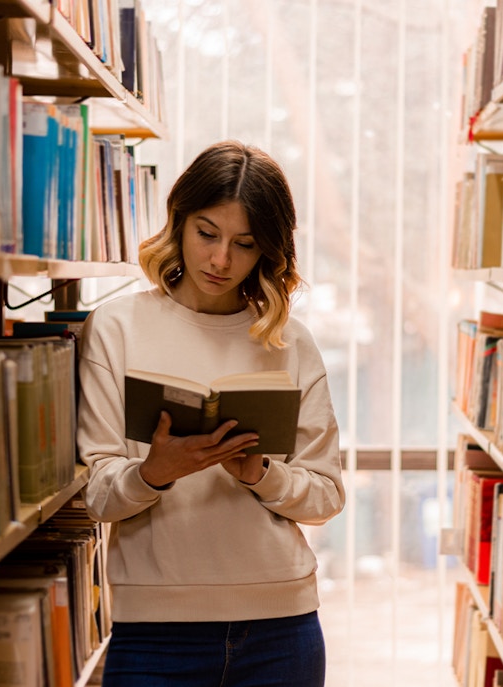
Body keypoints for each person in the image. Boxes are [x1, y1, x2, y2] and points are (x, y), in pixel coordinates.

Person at [76, 140, 346, 686]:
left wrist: (260, 474)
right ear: (178, 221)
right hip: (154, 631)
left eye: (244, 244)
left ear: (269, 251)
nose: (221, 260)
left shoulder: (290, 344)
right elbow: (99, 496)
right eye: (207, 233)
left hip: (281, 626)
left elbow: (326, 497)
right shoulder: (115, 328)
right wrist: (155, 472)